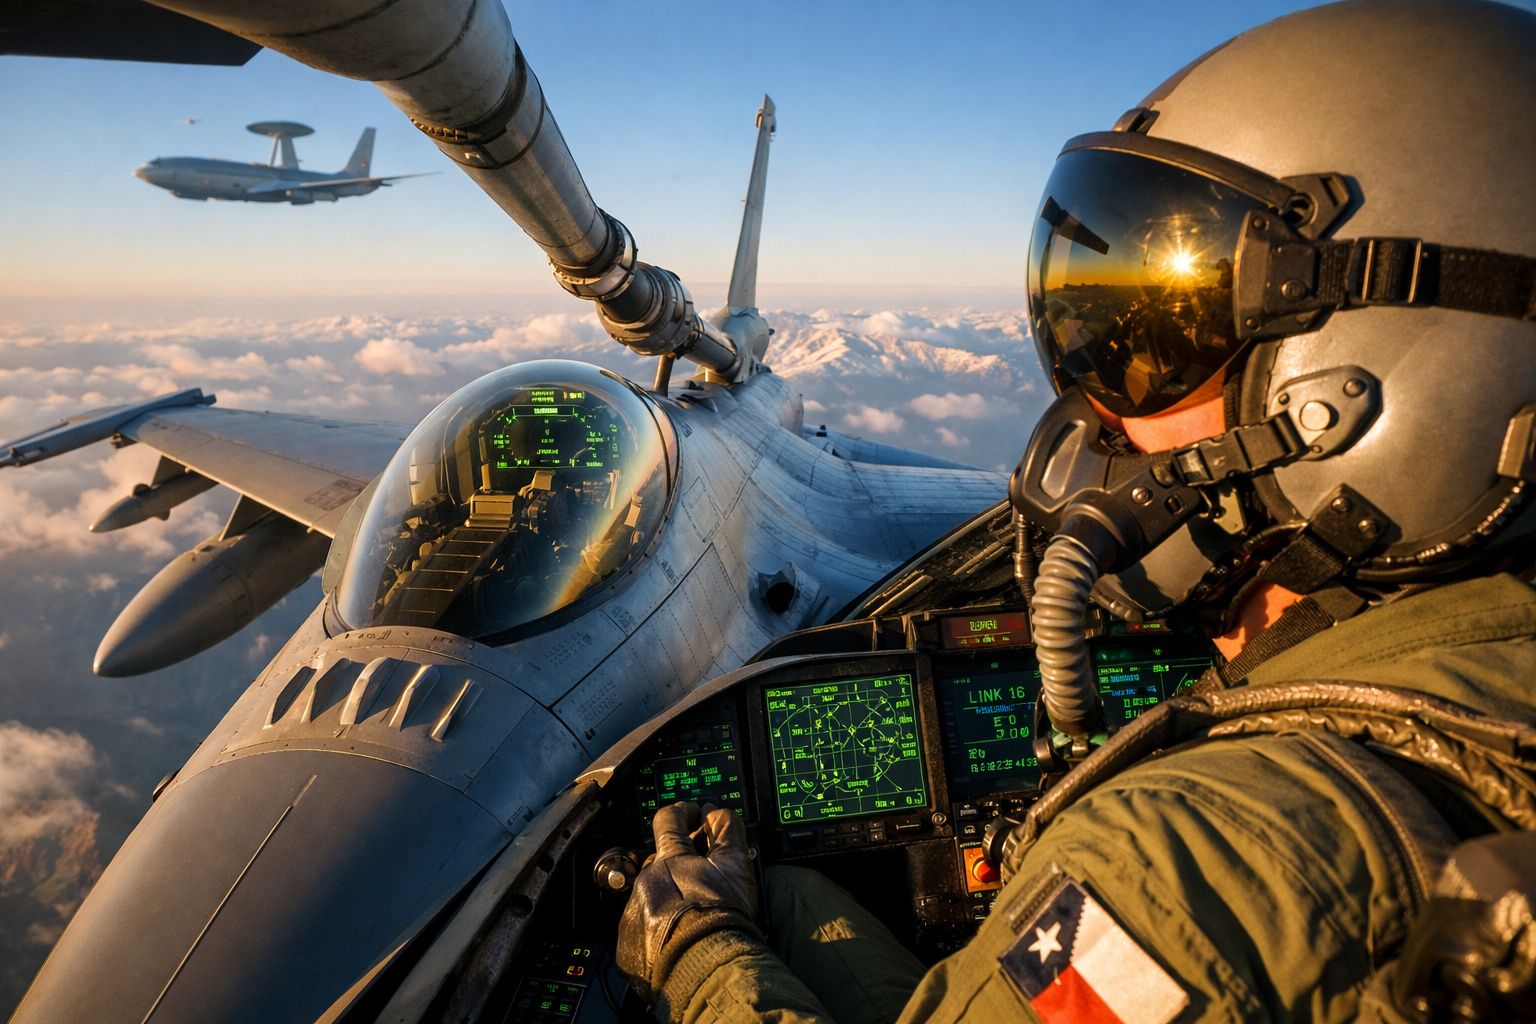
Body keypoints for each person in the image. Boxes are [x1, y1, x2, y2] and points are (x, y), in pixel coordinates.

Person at [615, 1, 1536, 1020]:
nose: (1092, 417)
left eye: (1157, 348)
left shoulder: (1177, 865)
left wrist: (703, 954)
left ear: (1364, 398)